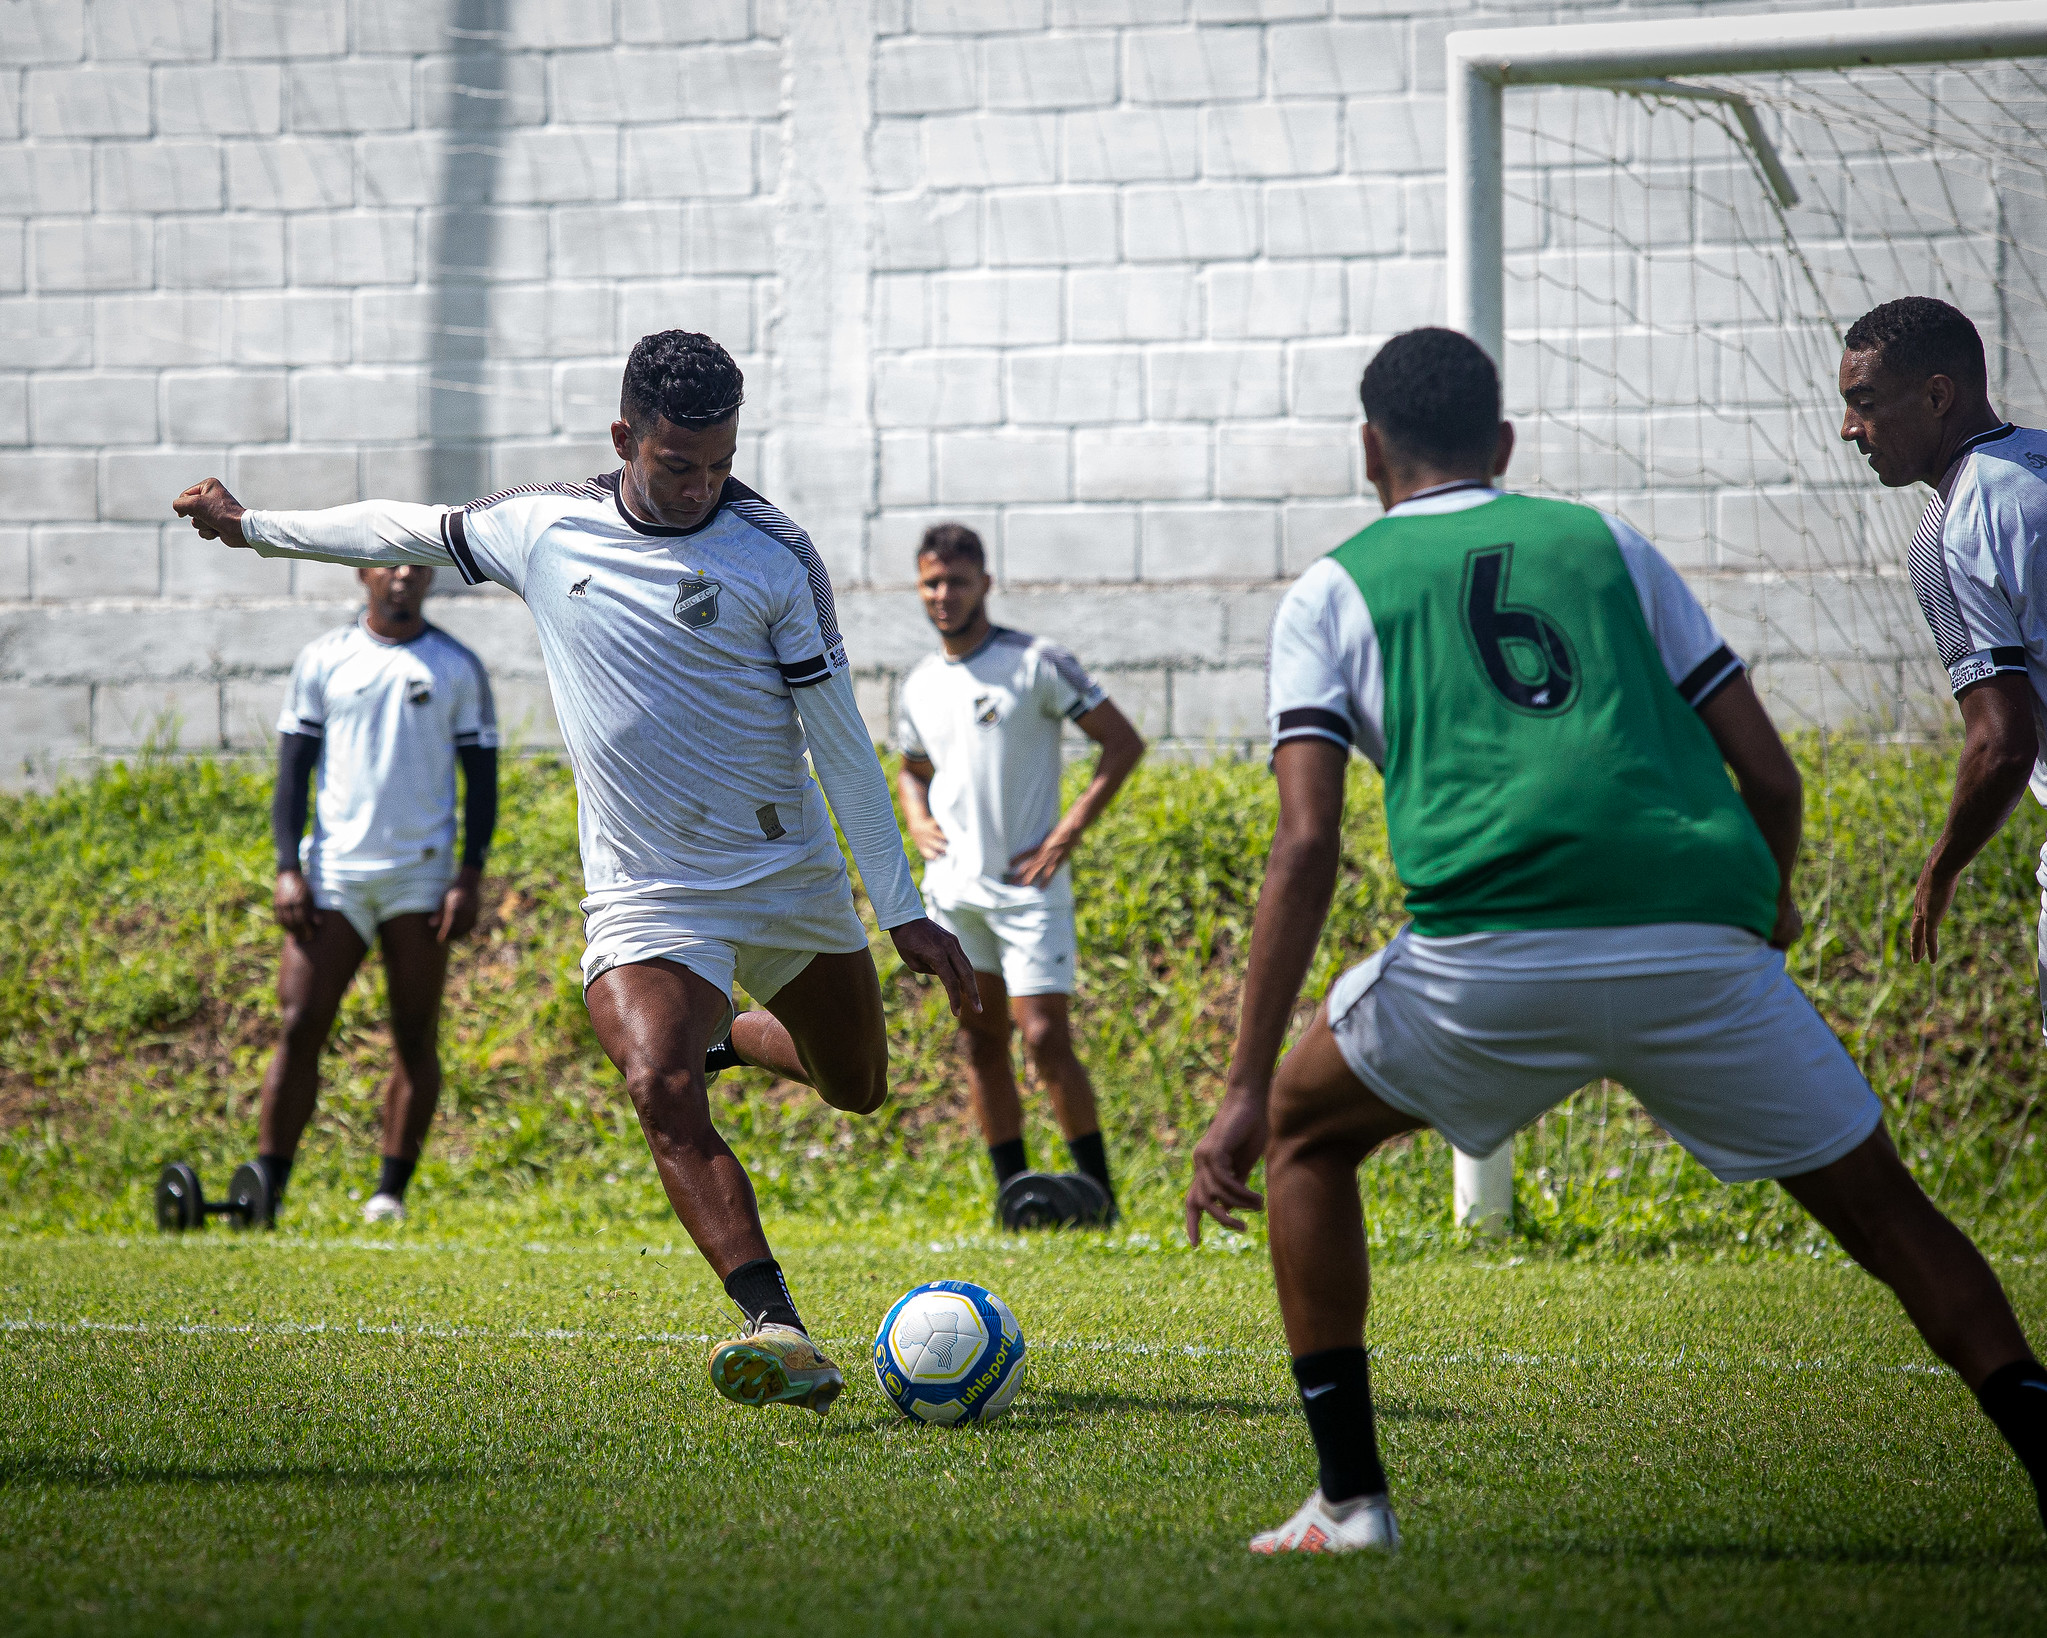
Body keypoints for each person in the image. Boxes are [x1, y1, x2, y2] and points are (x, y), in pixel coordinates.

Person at [1184, 326, 2047, 1554]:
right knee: (1883, 1212)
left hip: (1483, 957)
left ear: (1370, 448)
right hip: (1699, 945)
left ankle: (1351, 1501)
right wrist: (1771, 904)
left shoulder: (1330, 587)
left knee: (1303, 1133)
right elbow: (1770, 773)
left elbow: (1306, 846)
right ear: (1506, 444)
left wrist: (1237, 1091)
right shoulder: (1607, 542)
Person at [175, 329, 977, 1418]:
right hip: (647, 891)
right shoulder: (543, 527)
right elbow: (399, 523)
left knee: (857, 1087)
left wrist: (901, 910)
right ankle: (774, 1321)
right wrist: (252, 527)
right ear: (623, 437)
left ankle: (733, 1032)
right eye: (675, 463)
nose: (699, 487)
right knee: (656, 1080)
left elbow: (837, 736)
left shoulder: (772, 555)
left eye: (718, 465)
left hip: (782, 871)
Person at [895, 524, 1146, 1227]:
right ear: (920, 587)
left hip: (1029, 890)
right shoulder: (918, 683)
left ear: (985, 583)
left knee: (1042, 1036)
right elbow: (913, 770)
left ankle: (1099, 1201)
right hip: (953, 892)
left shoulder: (1036, 661)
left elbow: (1121, 744)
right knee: (979, 1039)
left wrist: (1065, 834)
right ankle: (1016, 1200)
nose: (944, 595)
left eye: (957, 581)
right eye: (931, 583)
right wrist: (914, 816)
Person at [256, 562, 498, 1226]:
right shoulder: (324, 658)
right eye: (387, 565)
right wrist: (287, 866)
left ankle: (390, 1193)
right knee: (300, 1024)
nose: (402, 577)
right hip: (333, 873)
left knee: (415, 1034)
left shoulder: (456, 665)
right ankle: (267, 1189)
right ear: (362, 573)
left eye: (416, 566)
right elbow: (291, 773)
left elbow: (482, 781)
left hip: (420, 876)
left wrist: (469, 874)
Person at [1836, 298, 2047, 1009]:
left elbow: (2000, 747)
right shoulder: (2038, 461)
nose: (1848, 431)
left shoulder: (1952, 526)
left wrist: (1941, 867)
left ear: (1935, 395)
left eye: (1862, 404)